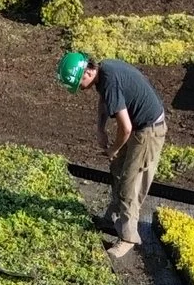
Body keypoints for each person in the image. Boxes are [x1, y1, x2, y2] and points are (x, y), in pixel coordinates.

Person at [58, 50, 165, 260]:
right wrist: (100, 129)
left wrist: (114, 149)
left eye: (79, 84)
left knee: (129, 182)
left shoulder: (110, 80)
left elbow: (125, 128)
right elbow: (104, 102)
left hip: (149, 130)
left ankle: (128, 237)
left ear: (87, 73)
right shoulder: (104, 72)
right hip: (139, 126)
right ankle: (112, 219)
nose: (80, 89)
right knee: (117, 169)